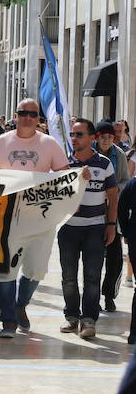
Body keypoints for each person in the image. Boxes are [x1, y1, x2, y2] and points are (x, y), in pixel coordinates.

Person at [0, 98, 70, 338]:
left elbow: (64, 176)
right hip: (6, 219)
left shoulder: (49, 144)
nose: (28, 117)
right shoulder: (0, 143)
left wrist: (78, 175)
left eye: (33, 114)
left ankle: (20, 303)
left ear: (38, 118)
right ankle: (9, 319)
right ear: (15, 115)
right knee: (5, 271)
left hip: (40, 219)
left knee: (36, 270)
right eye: (23, 113)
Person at [57, 118, 119, 339]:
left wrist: (111, 225)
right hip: (68, 229)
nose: (74, 139)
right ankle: (72, 317)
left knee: (92, 276)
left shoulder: (104, 163)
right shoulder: (64, 162)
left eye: (79, 134)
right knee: (68, 277)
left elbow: (113, 195)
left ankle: (89, 320)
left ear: (92, 138)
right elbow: (53, 193)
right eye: (72, 135)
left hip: (95, 227)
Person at [94, 119, 131, 312]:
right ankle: (92, 297)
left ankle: (109, 295)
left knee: (115, 260)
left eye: (110, 137)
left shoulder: (120, 155)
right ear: (97, 138)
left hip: (113, 213)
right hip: (92, 213)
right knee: (93, 258)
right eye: (103, 137)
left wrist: (113, 189)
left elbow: (125, 181)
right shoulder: (89, 154)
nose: (107, 140)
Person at [117, 176, 136, 344]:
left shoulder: (132, 183)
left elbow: (121, 209)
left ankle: (134, 334)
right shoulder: (133, 184)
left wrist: (126, 232)